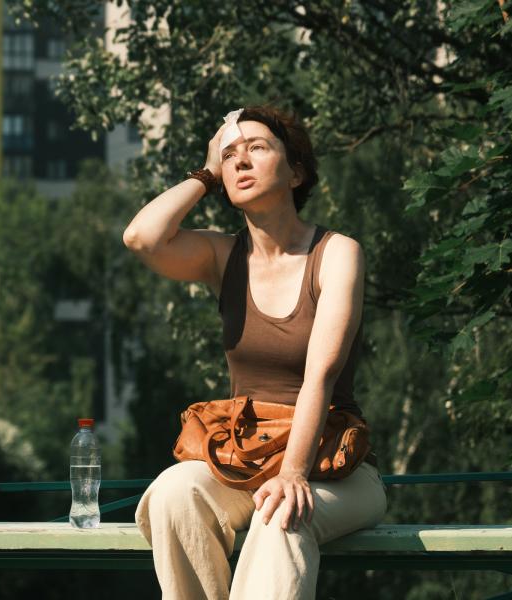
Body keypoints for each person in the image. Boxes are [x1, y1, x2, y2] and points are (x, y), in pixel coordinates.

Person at [122, 105, 387, 600]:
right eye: (230, 156)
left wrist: (293, 473)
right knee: (174, 492)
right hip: (246, 458)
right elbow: (141, 237)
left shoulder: (337, 253)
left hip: (334, 468)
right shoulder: (222, 256)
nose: (240, 162)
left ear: (296, 172)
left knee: (280, 516)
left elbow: (320, 376)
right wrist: (204, 173)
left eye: (258, 148)